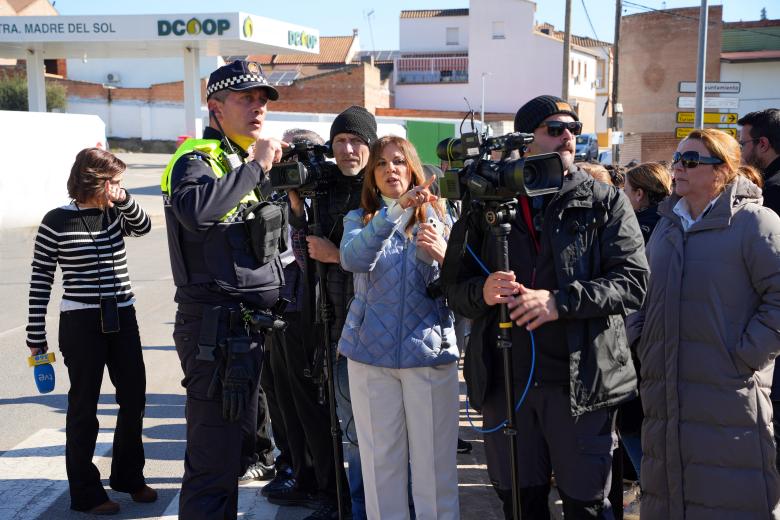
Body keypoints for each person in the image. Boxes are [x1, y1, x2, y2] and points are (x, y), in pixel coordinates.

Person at [441, 95, 649, 519]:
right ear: (526, 140)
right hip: (507, 382)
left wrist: (559, 302)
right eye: (554, 129)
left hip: (582, 384)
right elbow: (453, 286)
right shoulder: (486, 202)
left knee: (586, 505)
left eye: (573, 128)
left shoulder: (605, 200)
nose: (568, 136)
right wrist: (482, 292)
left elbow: (633, 282)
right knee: (519, 503)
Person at [629, 128, 780, 518]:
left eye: (690, 160)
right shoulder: (667, 225)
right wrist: (641, 339)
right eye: (676, 159)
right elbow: (642, 290)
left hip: (728, 396)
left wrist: (745, 356)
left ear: (723, 170)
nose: (677, 167)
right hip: (664, 393)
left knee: (727, 497)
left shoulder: (756, 223)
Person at [160, 60, 286, 519]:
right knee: (213, 458)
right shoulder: (197, 159)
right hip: (215, 332)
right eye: (245, 99)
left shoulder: (238, 159)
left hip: (245, 331)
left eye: (262, 101)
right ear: (216, 107)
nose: (258, 109)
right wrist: (256, 168)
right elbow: (195, 210)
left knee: (232, 455)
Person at [25, 148, 155, 515]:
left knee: (134, 399)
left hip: (123, 316)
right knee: (84, 407)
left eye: (119, 183)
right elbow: (41, 280)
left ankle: (129, 476)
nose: (118, 188)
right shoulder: (56, 221)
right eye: (113, 182)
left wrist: (125, 198)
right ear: (91, 181)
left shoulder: (115, 213)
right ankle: (86, 492)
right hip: (81, 322)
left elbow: (143, 227)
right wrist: (36, 334)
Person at [339, 135, 460, 520]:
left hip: (429, 356)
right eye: (381, 164)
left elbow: (468, 281)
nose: (391, 169)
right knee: (380, 469)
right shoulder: (360, 220)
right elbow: (353, 260)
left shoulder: (442, 216)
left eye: (399, 161)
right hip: (369, 358)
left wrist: (445, 253)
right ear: (372, 176)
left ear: (413, 169)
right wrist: (394, 215)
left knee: (434, 471)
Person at [285, 106, 378, 519]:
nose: (348, 149)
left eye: (356, 141)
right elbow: (306, 254)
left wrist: (336, 255)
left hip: (372, 324)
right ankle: (342, 502)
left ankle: (370, 506)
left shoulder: (378, 191)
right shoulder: (324, 187)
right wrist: (296, 210)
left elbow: (388, 263)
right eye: (340, 141)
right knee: (342, 426)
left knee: (367, 431)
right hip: (330, 320)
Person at [259, 128, 338, 508]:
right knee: (284, 400)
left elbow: (306, 249)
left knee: (310, 402)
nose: (288, 164)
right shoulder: (276, 188)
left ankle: (323, 484)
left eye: (294, 155)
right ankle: (297, 471)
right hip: (280, 307)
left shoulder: (325, 189)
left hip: (308, 307)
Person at [738, 109, 780, 468]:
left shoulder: (774, 195)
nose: (740, 151)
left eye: (743, 143)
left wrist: (749, 349)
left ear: (762, 145)